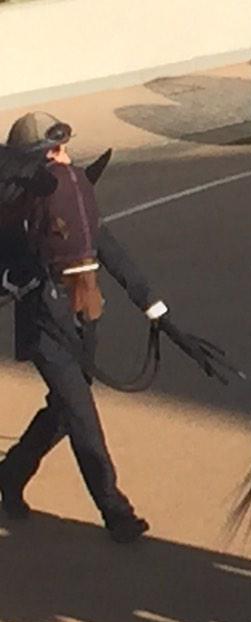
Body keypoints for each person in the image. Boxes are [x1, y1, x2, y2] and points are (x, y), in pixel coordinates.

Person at [0, 111, 204, 543]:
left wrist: (152, 305)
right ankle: (115, 511)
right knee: (82, 416)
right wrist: (19, 275)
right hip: (45, 326)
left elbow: (108, 247)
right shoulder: (13, 212)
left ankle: (11, 473)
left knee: (63, 412)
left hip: (83, 316)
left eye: (62, 148)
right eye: (53, 151)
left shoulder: (72, 199)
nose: (64, 157)